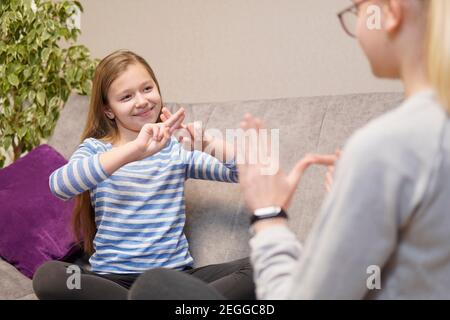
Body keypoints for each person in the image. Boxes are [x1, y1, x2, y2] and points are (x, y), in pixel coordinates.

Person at [129, 0, 450, 300]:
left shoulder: (384, 145)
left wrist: (269, 213)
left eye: (357, 9)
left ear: (391, 12)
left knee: (154, 286)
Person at [32, 50, 255, 300]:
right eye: (126, 97)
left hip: (175, 280)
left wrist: (207, 143)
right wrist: (135, 150)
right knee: (49, 276)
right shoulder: (97, 150)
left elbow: (250, 171)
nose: (142, 101)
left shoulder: (175, 150)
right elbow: (60, 185)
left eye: (147, 89)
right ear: (108, 110)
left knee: (265, 264)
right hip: (111, 281)